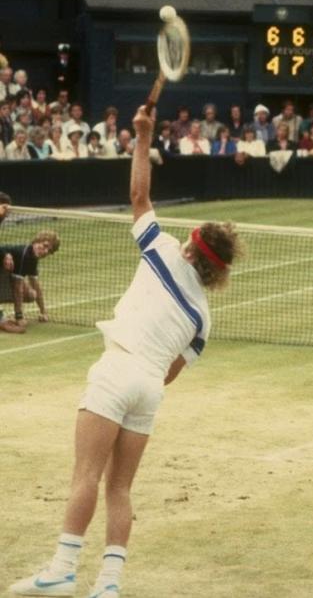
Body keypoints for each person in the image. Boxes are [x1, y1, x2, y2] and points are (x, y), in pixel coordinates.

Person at [8, 105, 242, 598]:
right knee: (120, 487)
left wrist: (142, 135)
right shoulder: (204, 319)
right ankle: (109, 584)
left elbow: (138, 195)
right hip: (150, 390)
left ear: (192, 249)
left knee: (85, 476)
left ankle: (62, 569)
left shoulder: (161, 251)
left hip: (118, 370)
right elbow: (173, 372)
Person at [0, 230, 60, 334]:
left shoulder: (33, 259)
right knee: (18, 286)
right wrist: (19, 317)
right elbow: (17, 288)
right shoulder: (24, 255)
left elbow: (35, 285)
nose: (45, 251)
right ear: (37, 241)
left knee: (31, 295)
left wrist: (43, 312)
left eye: (49, 251)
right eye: (44, 246)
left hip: (5, 278)